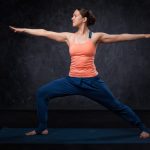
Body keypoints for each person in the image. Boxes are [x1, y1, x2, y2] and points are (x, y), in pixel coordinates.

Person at [10, 8, 150, 139]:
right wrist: (23, 30)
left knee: (116, 106)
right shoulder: (68, 37)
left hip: (92, 82)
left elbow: (121, 37)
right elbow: (44, 32)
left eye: (75, 15)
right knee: (42, 93)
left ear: (84, 19)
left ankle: (142, 128)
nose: (72, 18)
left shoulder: (95, 37)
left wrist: (144, 35)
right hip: (72, 81)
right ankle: (42, 128)